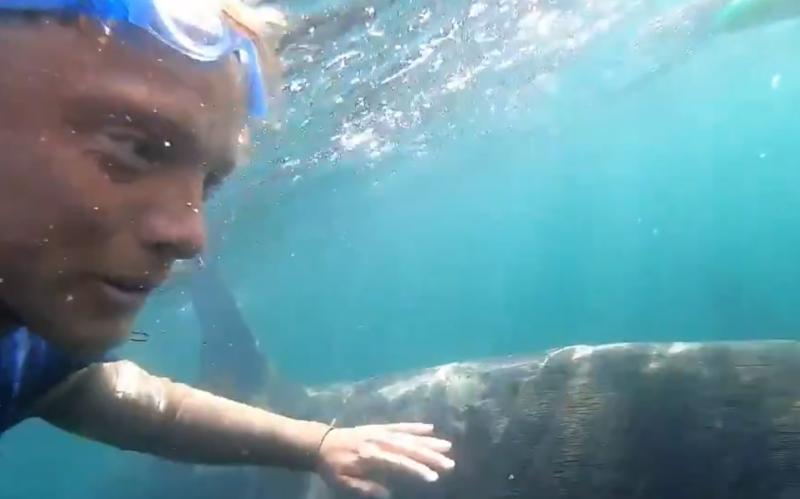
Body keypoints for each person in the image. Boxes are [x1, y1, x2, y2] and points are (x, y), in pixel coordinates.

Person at [0, 2, 454, 498]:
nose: (192, 236)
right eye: (133, 148)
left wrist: (315, 444)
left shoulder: (31, 350)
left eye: (209, 184)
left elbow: (95, 392)